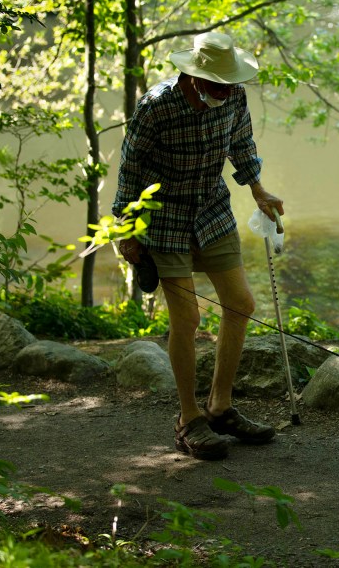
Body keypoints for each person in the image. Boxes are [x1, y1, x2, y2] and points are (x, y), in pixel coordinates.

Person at [113, 31, 283, 461]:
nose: (225, 92)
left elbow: (242, 145)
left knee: (241, 303)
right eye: (217, 85)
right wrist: (129, 228)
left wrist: (259, 191)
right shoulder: (157, 106)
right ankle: (189, 419)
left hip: (211, 209)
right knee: (186, 318)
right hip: (164, 217)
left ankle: (221, 407)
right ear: (193, 77)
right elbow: (130, 167)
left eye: (230, 84)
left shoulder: (234, 97)